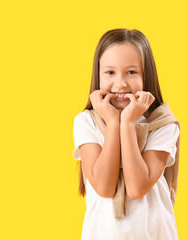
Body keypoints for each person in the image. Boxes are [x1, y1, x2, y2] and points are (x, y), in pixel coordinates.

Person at [72, 28, 180, 240]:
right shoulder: (86, 122)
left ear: (146, 75)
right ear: (98, 74)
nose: (120, 83)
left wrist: (129, 122)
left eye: (131, 72)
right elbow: (104, 186)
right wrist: (113, 121)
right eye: (110, 72)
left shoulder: (162, 124)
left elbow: (137, 187)